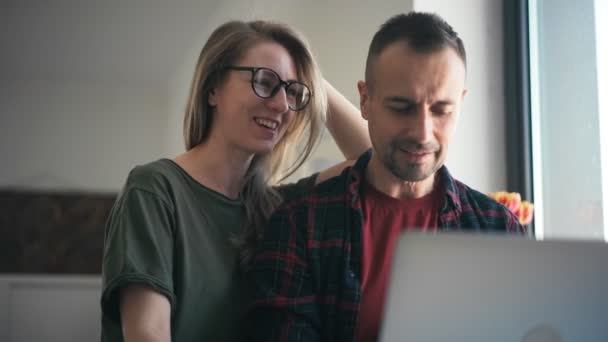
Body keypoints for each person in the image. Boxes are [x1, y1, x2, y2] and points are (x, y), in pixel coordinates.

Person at [248, 12, 524, 342]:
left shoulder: (498, 230)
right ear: (365, 100)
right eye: (401, 107)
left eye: (441, 110)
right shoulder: (300, 225)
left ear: (461, 104)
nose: (423, 133)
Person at [100, 20, 371, 342]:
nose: (282, 105)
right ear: (213, 87)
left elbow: (372, 160)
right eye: (265, 81)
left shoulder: (278, 208)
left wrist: (310, 77)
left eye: (292, 91)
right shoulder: (154, 189)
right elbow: (148, 334)